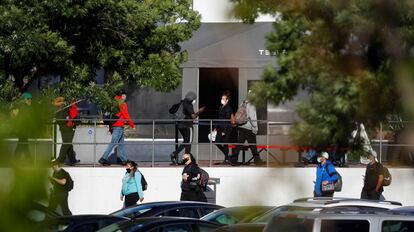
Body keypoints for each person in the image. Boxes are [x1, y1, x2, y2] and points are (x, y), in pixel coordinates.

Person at [99, 92, 135, 166]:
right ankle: (103, 158)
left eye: (125, 96)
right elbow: (126, 115)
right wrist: (132, 125)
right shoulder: (122, 104)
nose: (124, 97)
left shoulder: (114, 103)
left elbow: (111, 116)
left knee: (121, 144)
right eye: (123, 96)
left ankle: (124, 160)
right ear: (120, 96)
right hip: (118, 127)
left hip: (117, 126)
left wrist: (110, 128)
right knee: (113, 143)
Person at [170, 91, 205, 165]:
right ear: (192, 99)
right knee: (188, 142)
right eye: (194, 99)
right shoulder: (188, 104)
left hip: (180, 125)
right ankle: (176, 154)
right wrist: (200, 111)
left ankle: (184, 158)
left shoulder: (181, 103)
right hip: (187, 125)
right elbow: (193, 116)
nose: (194, 101)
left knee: (186, 141)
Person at [229, 99, 264, 166]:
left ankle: (233, 159)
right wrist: (255, 128)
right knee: (253, 145)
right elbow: (252, 117)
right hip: (248, 128)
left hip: (241, 126)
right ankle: (258, 161)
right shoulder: (251, 104)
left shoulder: (243, 103)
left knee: (239, 145)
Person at [54, 98, 80, 166]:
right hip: (65, 127)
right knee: (67, 143)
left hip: (69, 127)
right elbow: (59, 119)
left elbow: (73, 114)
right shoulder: (60, 108)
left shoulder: (68, 107)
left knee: (67, 143)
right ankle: (67, 159)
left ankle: (66, 159)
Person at [12, 92, 33, 161]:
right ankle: (28, 159)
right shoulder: (23, 107)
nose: (30, 100)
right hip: (23, 128)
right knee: (23, 143)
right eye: (28, 99)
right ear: (24, 100)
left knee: (22, 143)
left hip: (23, 128)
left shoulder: (25, 107)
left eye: (31, 99)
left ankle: (18, 158)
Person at [215, 90, 233, 164]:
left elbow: (227, 120)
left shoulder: (228, 108)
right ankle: (227, 155)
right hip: (220, 127)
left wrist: (224, 131)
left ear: (227, 100)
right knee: (217, 142)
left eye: (223, 99)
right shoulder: (220, 107)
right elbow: (219, 118)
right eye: (221, 98)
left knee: (225, 143)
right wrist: (216, 127)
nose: (221, 100)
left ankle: (226, 158)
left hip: (226, 128)